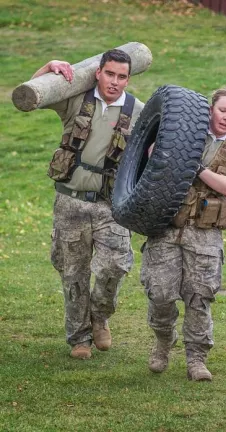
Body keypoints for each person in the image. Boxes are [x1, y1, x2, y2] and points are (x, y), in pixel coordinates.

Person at [33, 49, 145, 360]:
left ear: (128, 78)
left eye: (122, 76)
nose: (115, 82)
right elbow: (34, 93)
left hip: (111, 206)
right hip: (70, 202)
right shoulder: (75, 100)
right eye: (110, 74)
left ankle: (100, 317)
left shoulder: (138, 110)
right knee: (73, 273)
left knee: (114, 267)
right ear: (98, 72)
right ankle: (79, 338)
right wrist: (48, 64)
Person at [141, 86, 226, 381]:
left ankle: (197, 358)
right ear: (210, 109)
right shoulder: (184, 133)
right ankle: (163, 341)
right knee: (161, 293)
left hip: (204, 235)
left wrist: (196, 168)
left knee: (199, 297)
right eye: (222, 110)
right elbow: (150, 158)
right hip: (166, 228)